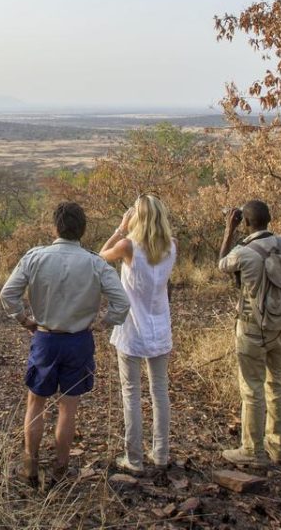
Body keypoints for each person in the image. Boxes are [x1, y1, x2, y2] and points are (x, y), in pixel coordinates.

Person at [0, 201, 131, 485]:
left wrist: (24, 320)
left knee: (35, 403)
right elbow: (122, 302)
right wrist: (104, 322)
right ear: (82, 230)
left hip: (45, 339)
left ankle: (30, 466)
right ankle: (60, 468)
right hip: (79, 341)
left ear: (55, 228)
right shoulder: (95, 262)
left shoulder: (35, 257)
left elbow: (8, 293)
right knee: (68, 408)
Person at [99, 194, 177, 474]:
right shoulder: (172, 246)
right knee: (160, 392)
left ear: (137, 217)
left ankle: (134, 458)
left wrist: (121, 228)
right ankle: (161, 454)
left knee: (131, 393)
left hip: (132, 329)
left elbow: (99, 259)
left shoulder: (127, 246)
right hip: (160, 327)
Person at [217, 199, 281, 467]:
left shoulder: (243, 252)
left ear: (246, 222)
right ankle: (277, 446)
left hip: (252, 327)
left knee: (252, 388)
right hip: (280, 323)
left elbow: (221, 264)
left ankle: (252, 449)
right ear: (269, 219)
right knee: (276, 384)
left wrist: (229, 230)